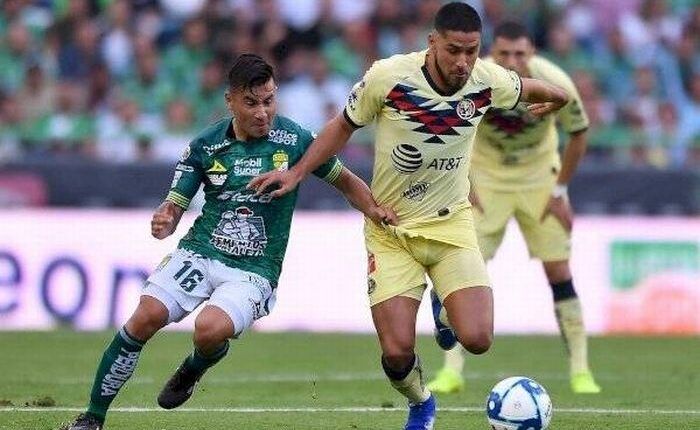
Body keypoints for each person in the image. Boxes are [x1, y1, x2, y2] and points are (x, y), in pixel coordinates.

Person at [248, 4, 570, 429]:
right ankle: (421, 403)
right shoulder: (389, 77)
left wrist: (558, 99)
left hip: (451, 224)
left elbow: (540, 89)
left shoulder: (486, 81)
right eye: (454, 50)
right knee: (397, 353)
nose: (463, 61)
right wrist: (297, 173)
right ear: (432, 42)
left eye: (472, 51)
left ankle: (444, 307)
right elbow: (341, 127)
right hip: (391, 228)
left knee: (478, 339)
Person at [64, 53, 395, 430]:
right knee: (145, 317)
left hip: (253, 270)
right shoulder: (205, 146)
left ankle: (193, 367)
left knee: (208, 330)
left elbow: (347, 181)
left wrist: (374, 209)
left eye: (268, 100)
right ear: (230, 100)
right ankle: (92, 418)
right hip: (201, 251)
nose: (262, 112)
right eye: (251, 103)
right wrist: (165, 219)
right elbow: (175, 203)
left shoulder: (297, 140)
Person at [426, 21, 601, 396]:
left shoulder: (555, 82)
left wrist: (560, 191)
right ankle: (451, 370)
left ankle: (581, 371)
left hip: (539, 178)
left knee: (559, 269)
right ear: (493, 53)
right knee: (464, 269)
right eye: (504, 53)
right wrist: (465, 182)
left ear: (532, 54)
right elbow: (447, 131)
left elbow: (580, 131)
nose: (512, 60)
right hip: (485, 179)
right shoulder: (474, 77)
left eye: (520, 53)